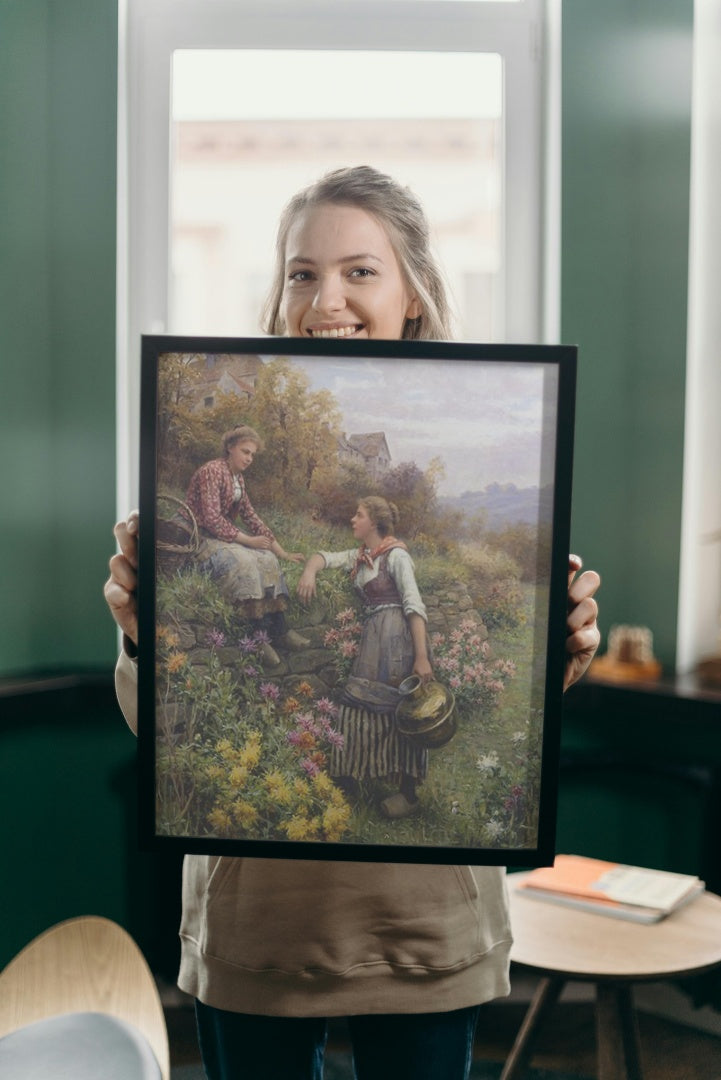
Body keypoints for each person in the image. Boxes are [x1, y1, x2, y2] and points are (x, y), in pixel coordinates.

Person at [105, 165, 601, 1080]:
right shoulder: (225, 444)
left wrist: (555, 656)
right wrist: (143, 635)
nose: (324, 297)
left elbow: (513, 699)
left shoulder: (501, 421)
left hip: (423, 927)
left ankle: (390, 779)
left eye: (359, 271)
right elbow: (154, 730)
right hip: (258, 927)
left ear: (413, 291)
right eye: (301, 272)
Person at [297, 495, 432, 818]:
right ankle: (352, 779)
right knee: (358, 703)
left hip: (398, 641)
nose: (352, 520)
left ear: (374, 522)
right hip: (372, 640)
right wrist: (309, 573)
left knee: (402, 710)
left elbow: (414, 605)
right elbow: (321, 557)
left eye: (358, 515)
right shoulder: (361, 556)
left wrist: (422, 657)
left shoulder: (396, 556)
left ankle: (409, 793)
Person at [179, 424, 307, 666]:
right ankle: (257, 638)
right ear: (230, 448)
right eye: (245, 452)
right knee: (244, 562)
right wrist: (248, 541)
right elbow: (212, 520)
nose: (249, 458)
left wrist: (280, 551)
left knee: (267, 559)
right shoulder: (211, 471)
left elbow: (251, 516)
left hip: (221, 536)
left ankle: (280, 630)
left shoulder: (238, 479)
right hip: (198, 538)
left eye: (252, 455)